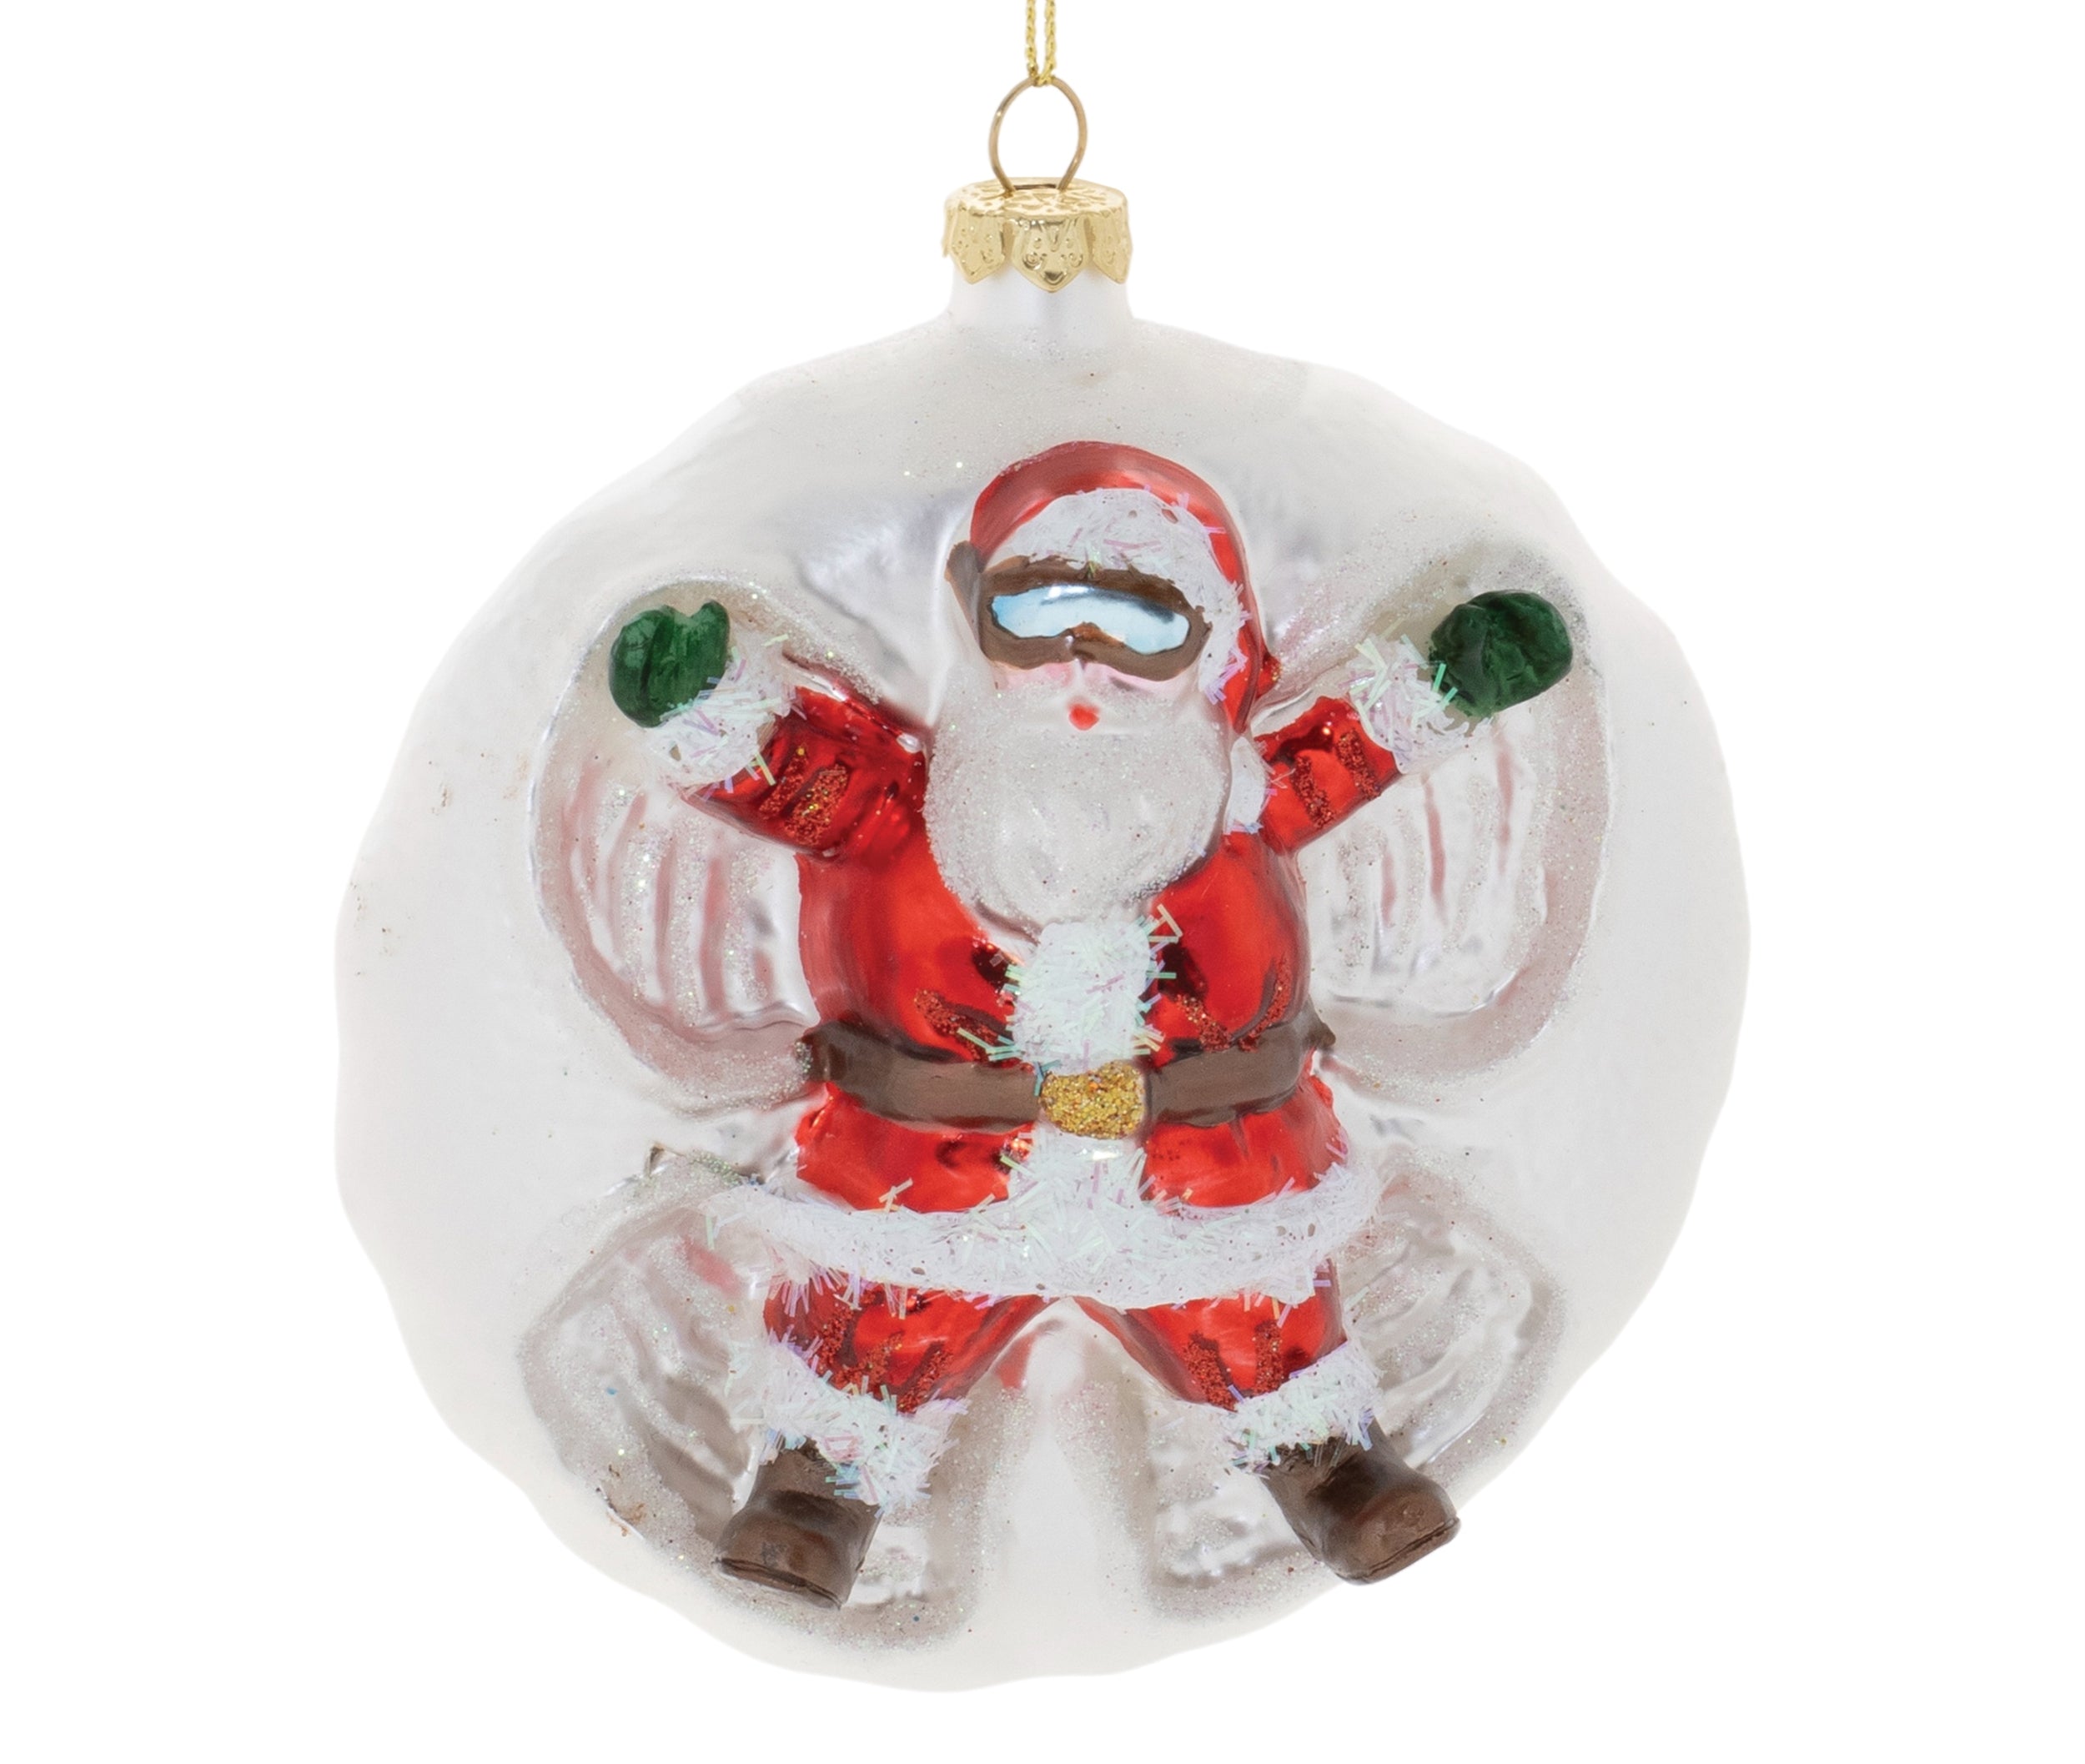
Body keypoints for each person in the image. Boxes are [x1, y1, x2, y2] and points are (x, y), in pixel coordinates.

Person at [608, 440, 1573, 1606]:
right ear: (976, 611)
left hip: (1208, 1169)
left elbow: (1354, 751)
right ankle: (819, 1489)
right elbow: (794, 776)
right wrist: (704, 704)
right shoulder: (909, 806)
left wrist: (1453, 681)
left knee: (1260, 1325)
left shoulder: (1238, 800)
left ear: (1205, 643)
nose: (1083, 660)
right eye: (1037, 613)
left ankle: (1326, 1465)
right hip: (932, 1171)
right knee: (878, 1333)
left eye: (1139, 626)